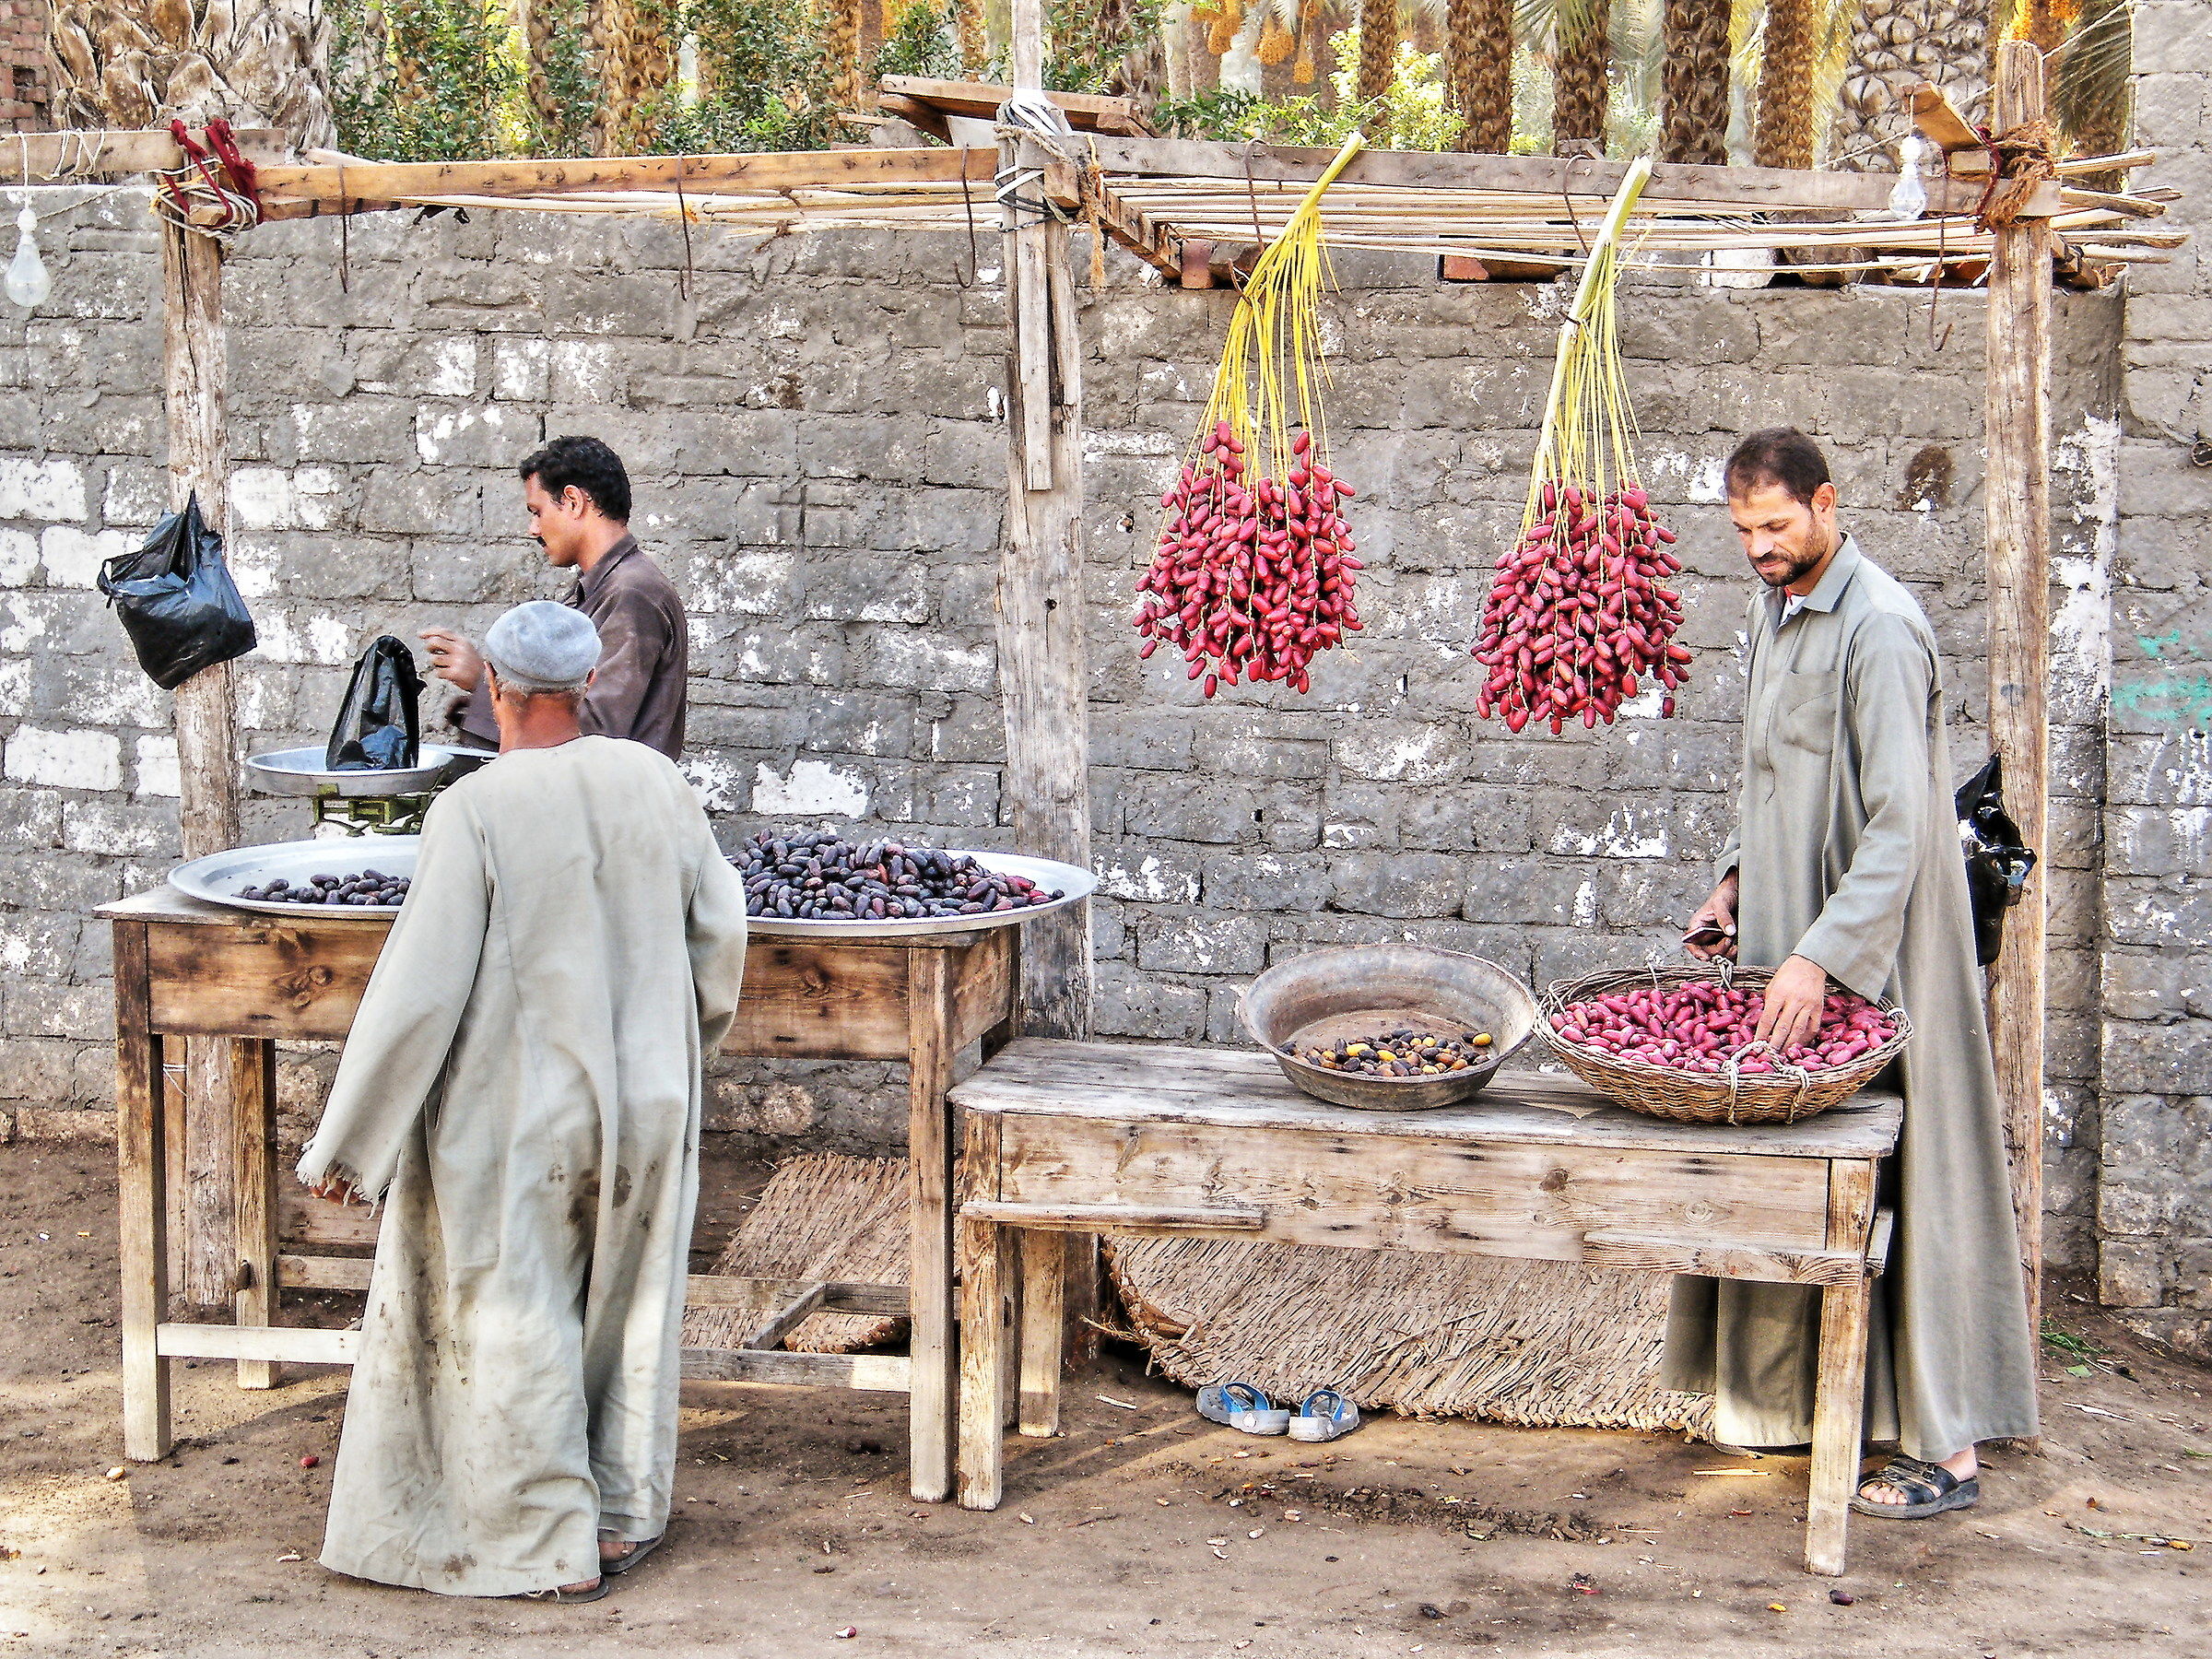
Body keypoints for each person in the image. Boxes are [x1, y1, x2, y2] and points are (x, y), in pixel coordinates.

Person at [299, 600, 749, 1601]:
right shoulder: (657, 782)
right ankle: (623, 1517)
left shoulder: (476, 809)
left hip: (521, 1109)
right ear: (589, 683)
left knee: (523, 1308)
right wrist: (677, 1055)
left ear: (491, 687)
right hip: (649, 1099)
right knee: (630, 1305)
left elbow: (419, 990)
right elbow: (720, 935)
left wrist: (350, 1146)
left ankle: (544, 1540)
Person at [1668, 427, 2039, 1520]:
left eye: (1776, 526)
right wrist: (1735, 888)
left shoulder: (1878, 627)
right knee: (1817, 1183)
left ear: (1829, 504)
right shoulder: (1777, 611)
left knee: (1917, 1179)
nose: (1759, 549)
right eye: (1742, 532)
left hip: (1879, 951)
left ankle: (1949, 1449)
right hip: (1791, 937)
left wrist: (1824, 955)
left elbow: (1902, 830)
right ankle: (1818, 1415)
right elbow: (1769, 772)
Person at [420, 436, 689, 761]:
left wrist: (486, 683)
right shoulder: (597, 589)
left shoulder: (632, 593)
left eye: (537, 511)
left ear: (573, 501)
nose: (534, 528)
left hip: (611, 806)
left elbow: (595, 729)